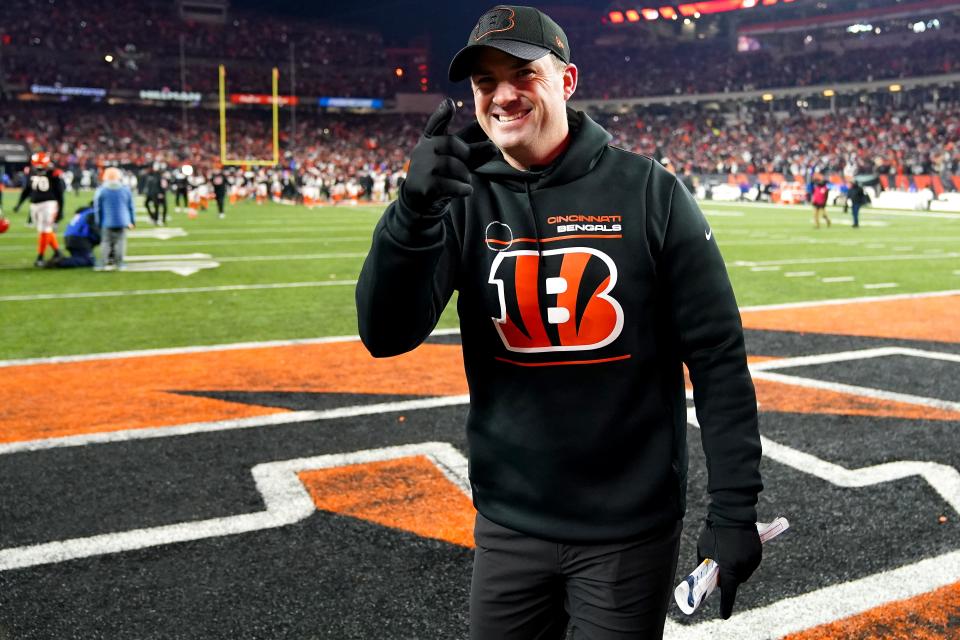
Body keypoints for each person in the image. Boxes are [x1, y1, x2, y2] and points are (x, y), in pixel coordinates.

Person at [355, 6, 763, 639]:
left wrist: (734, 508)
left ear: (567, 82)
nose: (503, 94)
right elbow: (385, 335)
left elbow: (716, 356)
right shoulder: (459, 198)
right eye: (486, 82)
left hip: (628, 531)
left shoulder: (649, 192)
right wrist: (411, 214)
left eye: (523, 72)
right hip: (510, 523)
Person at [13, 152, 65, 267]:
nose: (39, 167)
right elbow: (27, 189)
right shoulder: (32, 171)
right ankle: (57, 252)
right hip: (35, 204)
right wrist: (19, 204)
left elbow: (60, 194)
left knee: (44, 230)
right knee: (44, 230)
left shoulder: (54, 173)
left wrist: (60, 211)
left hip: (49, 203)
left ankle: (40, 257)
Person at [94, 167, 135, 270]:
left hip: (107, 221)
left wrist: (98, 222)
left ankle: (103, 263)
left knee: (106, 242)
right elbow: (131, 207)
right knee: (120, 242)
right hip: (122, 221)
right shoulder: (125, 190)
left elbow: (98, 209)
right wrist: (132, 221)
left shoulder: (101, 190)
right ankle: (120, 263)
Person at [47, 203, 100, 268]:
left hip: (70, 238)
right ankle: (59, 262)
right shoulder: (93, 214)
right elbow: (94, 231)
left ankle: (60, 260)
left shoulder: (84, 212)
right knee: (88, 261)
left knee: (79, 257)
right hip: (79, 239)